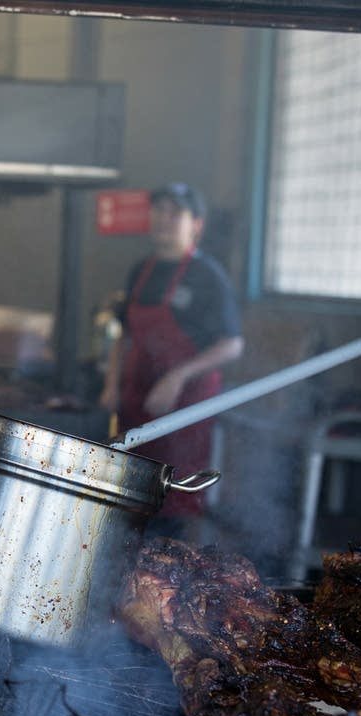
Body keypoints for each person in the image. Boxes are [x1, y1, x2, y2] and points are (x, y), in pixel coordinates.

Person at [100, 183, 243, 533]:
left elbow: (232, 345)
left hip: (185, 407)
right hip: (137, 398)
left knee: (173, 502)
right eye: (159, 210)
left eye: (175, 213)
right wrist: (111, 385)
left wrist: (178, 376)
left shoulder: (208, 276)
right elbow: (125, 334)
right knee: (129, 496)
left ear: (196, 224)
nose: (163, 219)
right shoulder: (141, 270)